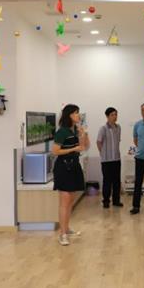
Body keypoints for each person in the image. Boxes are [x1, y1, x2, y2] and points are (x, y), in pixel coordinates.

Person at [52, 104, 89, 246]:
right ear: (69, 115)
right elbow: (55, 151)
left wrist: (83, 134)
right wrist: (73, 148)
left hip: (74, 166)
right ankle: (62, 234)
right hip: (63, 167)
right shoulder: (62, 132)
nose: (78, 115)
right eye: (76, 113)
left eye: (78, 113)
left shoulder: (75, 130)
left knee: (70, 201)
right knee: (64, 202)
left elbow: (84, 147)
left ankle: (66, 229)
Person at [97, 107, 122, 208]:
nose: (114, 116)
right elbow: (99, 142)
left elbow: (118, 141)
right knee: (107, 181)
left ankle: (116, 201)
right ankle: (106, 201)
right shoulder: (103, 128)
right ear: (107, 116)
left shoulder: (118, 127)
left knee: (116, 181)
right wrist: (103, 153)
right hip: (106, 160)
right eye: (112, 115)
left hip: (116, 159)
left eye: (116, 114)